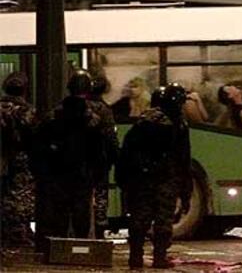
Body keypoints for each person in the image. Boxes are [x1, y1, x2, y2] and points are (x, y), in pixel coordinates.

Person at [115, 83, 192, 269]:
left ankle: (135, 257)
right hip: (166, 179)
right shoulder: (178, 125)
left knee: (139, 219)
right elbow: (183, 158)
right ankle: (159, 257)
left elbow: (126, 153)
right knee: (163, 220)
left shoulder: (142, 123)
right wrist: (185, 189)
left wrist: (125, 180)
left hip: (141, 181)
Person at [32, 69, 104, 252]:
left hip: (58, 175)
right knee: (82, 218)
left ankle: (61, 251)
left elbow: (39, 147)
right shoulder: (94, 118)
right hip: (83, 175)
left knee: (59, 215)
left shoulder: (54, 116)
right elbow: (103, 149)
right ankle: (79, 251)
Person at [0, 72, 37, 249]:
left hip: (2, 161)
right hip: (21, 162)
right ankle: (19, 234)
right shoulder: (27, 111)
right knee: (20, 200)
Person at [88, 76, 120, 239]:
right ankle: (99, 230)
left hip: (78, 162)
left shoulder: (78, 106)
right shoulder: (104, 110)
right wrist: (116, 157)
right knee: (100, 194)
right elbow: (110, 137)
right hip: (99, 160)